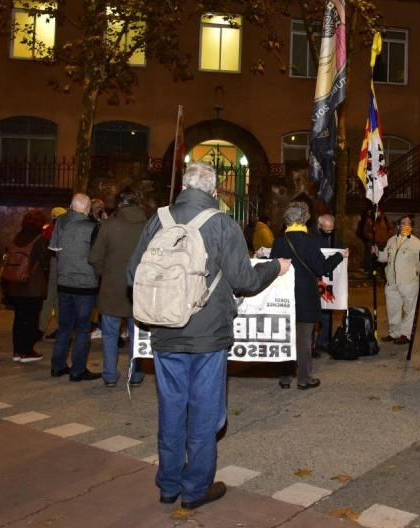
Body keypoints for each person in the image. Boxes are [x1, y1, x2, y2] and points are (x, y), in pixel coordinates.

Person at [127, 162, 290, 510]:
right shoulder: (222, 224)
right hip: (208, 337)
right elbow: (245, 281)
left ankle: (168, 484)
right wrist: (276, 267)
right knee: (203, 413)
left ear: (184, 187)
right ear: (213, 191)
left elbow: (132, 274)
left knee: (171, 409)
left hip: (166, 332)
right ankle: (195, 489)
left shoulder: (158, 220)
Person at [271, 202, 345, 389]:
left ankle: (285, 376)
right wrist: (338, 257)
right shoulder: (308, 241)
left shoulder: (280, 240)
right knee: (304, 337)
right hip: (305, 295)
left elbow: (273, 266)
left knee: (285, 335)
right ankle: (304, 378)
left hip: (284, 294)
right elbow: (321, 268)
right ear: (305, 218)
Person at [89, 188, 147, 387]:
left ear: (120, 203)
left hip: (111, 289)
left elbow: (94, 257)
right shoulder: (148, 227)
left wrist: (106, 273)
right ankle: (136, 373)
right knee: (136, 336)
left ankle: (110, 375)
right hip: (138, 289)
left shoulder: (108, 226)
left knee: (110, 335)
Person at [48, 194, 101, 382]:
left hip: (64, 283)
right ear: (87, 209)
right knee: (82, 328)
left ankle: (57, 365)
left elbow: (54, 250)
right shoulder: (93, 227)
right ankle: (78, 369)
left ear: (70, 206)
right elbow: (97, 256)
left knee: (64, 327)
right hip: (85, 285)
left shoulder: (60, 222)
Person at [3, 209, 51, 363]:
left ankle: (17, 351)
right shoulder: (39, 239)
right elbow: (45, 263)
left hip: (15, 284)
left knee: (19, 318)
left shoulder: (17, 237)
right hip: (32, 286)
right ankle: (27, 351)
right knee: (31, 318)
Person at [375, 215, 420, 345]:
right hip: (391, 282)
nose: (405, 226)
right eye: (402, 223)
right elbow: (384, 258)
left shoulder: (416, 243)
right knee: (392, 309)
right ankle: (394, 333)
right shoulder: (391, 241)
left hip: (408, 282)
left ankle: (406, 335)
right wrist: (377, 253)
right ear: (398, 226)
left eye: (408, 224)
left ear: (411, 227)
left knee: (408, 310)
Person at [311, 213, 338, 356]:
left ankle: (323, 342)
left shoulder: (334, 237)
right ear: (319, 226)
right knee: (313, 315)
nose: (329, 233)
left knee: (327, 313)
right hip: (315, 280)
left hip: (328, 281)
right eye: (326, 230)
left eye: (331, 230)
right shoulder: (312, 239)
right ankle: (311, 346)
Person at [40, 206, 67, 339]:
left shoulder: (49, 230)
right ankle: (62, 328)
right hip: (61, 265)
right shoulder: (66, 229)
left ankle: (40, 329)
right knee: (56, 299)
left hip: (54, 264)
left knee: (50, 297)